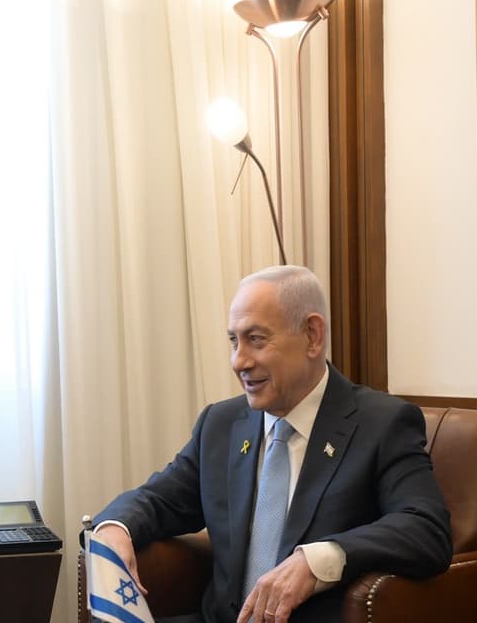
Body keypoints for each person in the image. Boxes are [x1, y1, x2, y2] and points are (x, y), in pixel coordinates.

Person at [90, 265, 451, 623]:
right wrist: (113, 529)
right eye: (233, 340)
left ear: (312, 335)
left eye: (256, 339)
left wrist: (318, 561)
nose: (239, 361)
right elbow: (159, 499)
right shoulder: (221, 424)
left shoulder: (381, 423)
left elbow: (425, 529)